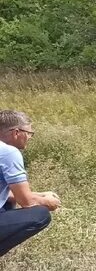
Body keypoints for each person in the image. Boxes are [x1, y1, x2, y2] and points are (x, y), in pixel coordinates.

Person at [0, 110, 60, 258]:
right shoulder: (8, 153)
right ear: (16, 132)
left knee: (8, 204)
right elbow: (26, 202)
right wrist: (49, 201)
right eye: (28, 133)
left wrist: (39, 195)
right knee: (40, 215)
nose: (30, 137)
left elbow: (9, 195)